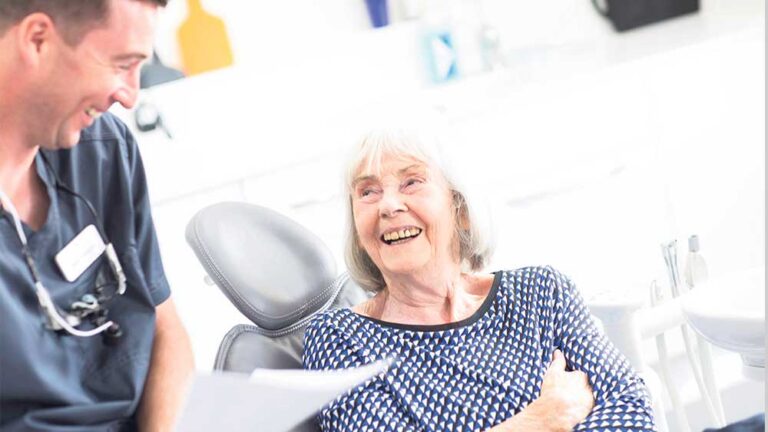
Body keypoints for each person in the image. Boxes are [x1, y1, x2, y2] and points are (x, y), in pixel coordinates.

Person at [303, 127, 656, 431]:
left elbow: (631, 407)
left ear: (461, 209)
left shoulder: (543, 293)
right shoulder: (339, 340)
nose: (388, 205)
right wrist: (542, 419)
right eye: (368, 191)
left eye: (411, 182)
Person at [0, 0, 194, 430]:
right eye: (121, 65)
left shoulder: (103, 150)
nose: (130, 95)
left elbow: (166, 330)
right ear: (37, 40)